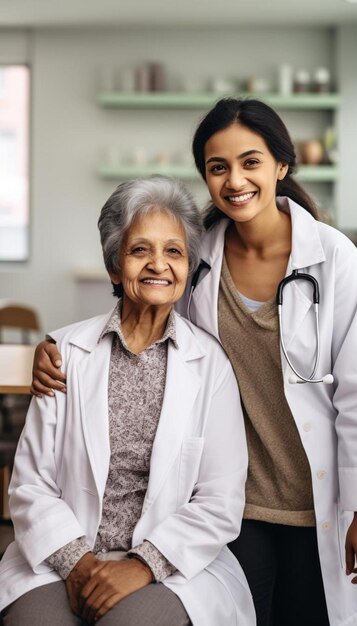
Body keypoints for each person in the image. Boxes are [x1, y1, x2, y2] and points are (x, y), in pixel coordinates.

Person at [30, 98, 357, 626]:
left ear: (281, 166)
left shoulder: (333, 257)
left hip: (316, 497)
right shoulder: (199, 257)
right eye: (217, 166)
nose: (234, 180)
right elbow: (140, 304)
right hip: (237, 501)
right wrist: (55, 347)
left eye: (251, 162)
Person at [0, 175, 256, 626]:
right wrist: (80, 566)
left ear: (187, 267)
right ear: (115, 267)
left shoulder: (210, 365)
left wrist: (141, 566)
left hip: (170, 566)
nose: (158, 264)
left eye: (174, 251)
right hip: (62, 558)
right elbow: (30, 485)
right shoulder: (64, 353)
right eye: (140, 250)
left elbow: (219, 499)